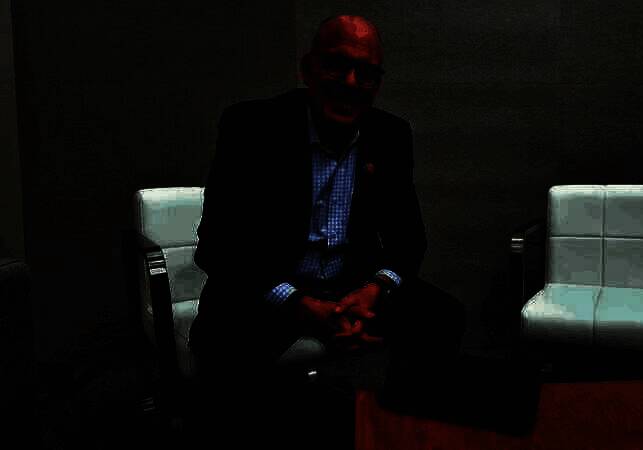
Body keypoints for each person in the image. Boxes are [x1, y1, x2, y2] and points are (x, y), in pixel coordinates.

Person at [188, 15, 464, 447]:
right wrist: (299, 304)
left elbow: (409, 240)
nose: (351, 82)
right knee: (224, 355)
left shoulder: (389, 135)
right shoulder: (252, 126)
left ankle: (398, 429)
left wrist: (375, 290)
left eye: (366, 73)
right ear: (308, 69)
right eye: (337, 65)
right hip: (269, 287)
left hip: (352, 286)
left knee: (442, 317)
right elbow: (217, 246)